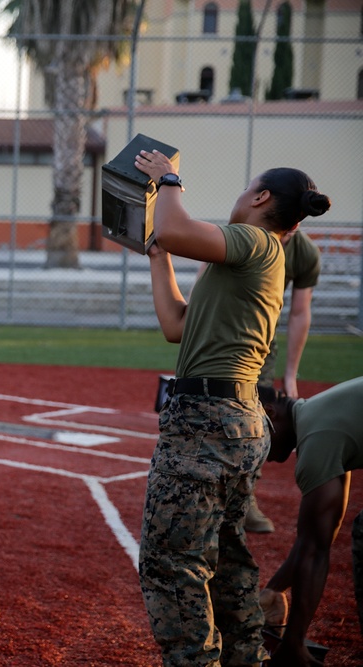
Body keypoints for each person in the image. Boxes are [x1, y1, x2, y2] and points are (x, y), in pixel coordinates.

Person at [134, 150, 331, 667]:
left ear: (261, 198)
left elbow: (176, 227)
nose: (241, 194)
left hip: (208, 420)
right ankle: (246, 657)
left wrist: (167, 179)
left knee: (171, 563)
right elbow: (177, 326)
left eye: (249, 188)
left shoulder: (255, 240)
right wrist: (160, 258)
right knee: (223, 561)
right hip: (232, 418)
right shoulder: (247, 256)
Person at [257, 376, 363, 667]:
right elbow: (323, 534)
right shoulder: (318, 416)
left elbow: (315, 550)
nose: (257, 451)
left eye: (252, 434)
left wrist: (292, 645)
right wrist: (273, 590)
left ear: (269, 413)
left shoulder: (316, 440)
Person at [245, 229, 322, 533]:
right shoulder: (246, 232)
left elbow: (300, 312)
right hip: (222, 334)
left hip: (261, 344)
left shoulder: (304, 253)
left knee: (255, 418)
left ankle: (243, 499)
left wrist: (291, 373)